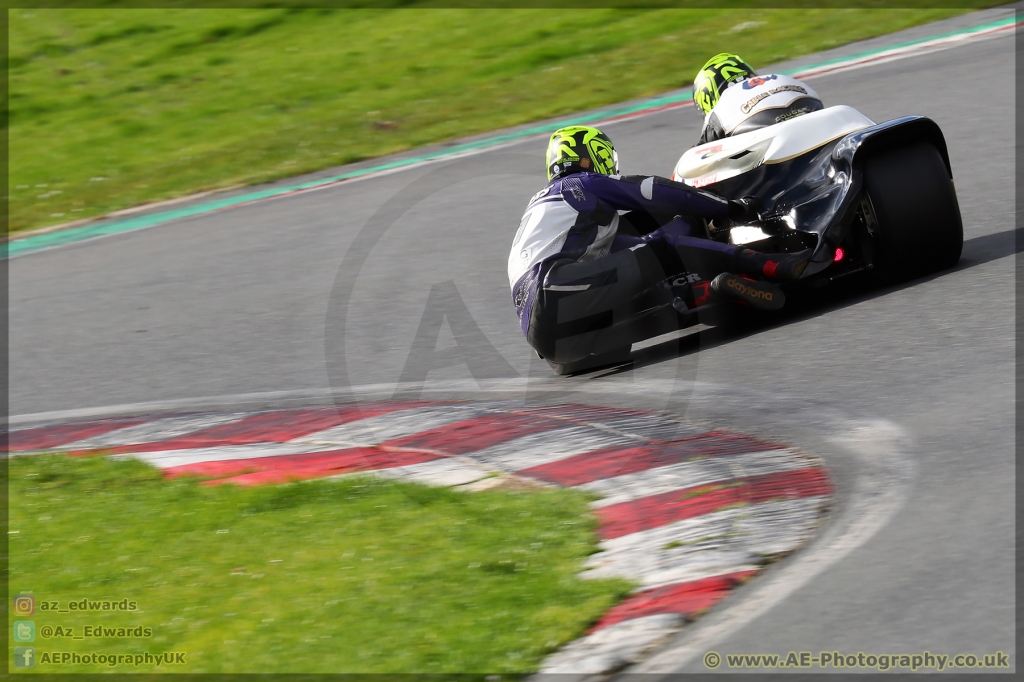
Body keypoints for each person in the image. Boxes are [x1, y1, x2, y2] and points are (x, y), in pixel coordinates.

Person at [509, 125, 811, 368]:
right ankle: (770, 264)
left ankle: (710, 291)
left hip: (549, 343)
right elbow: (652, 191)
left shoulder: (549, 213)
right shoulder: (579, 184)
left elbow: (634, 250)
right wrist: (728, 208)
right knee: (661, 254)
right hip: (558, 287)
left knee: (637, 269)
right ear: (590, 156)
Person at [692, 53, 823, 145]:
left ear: (707, 99)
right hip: (811, 105)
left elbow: (700, 154)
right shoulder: (777, 78)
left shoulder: (721, 111)